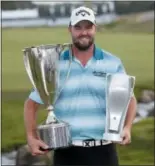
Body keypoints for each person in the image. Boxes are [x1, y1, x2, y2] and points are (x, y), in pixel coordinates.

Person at [24, 6, 137, 166]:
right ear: (70, 29)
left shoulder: (113, 62)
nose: (84, 32)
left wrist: (127, 128)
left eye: (88, 27)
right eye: (78, 27)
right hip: (67, 153)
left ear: (95, 29)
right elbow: (31, 105)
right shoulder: (54, 64)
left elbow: (129, 100)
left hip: (104, 152)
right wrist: (31, 137)